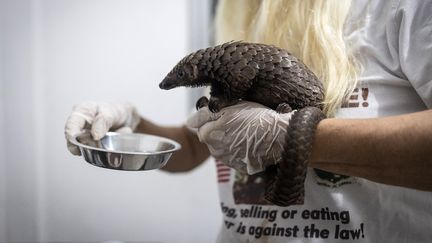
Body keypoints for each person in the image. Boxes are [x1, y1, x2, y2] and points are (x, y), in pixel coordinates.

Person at [65, 0, 432, 242]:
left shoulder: (400, 9)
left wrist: (286, 138)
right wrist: (130, 124)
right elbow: (199, 144)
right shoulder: (242, 12)